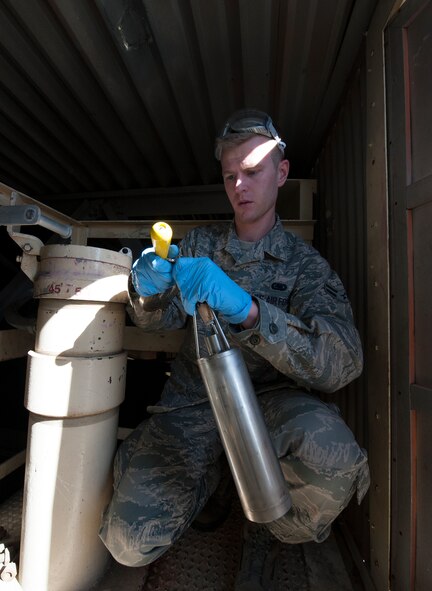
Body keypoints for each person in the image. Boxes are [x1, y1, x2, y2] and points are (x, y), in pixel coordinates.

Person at [99, 109, 370, 590]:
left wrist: (249, 310)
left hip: (267, 411)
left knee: (333, 457)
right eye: (230, 175)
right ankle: (208, 482)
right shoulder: (201, 244)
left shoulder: (305, 266)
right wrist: (146, 289)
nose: (239, 186)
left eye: (252, 172)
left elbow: (342, 363)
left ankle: (264, 526)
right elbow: (157, 319)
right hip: (194, 404)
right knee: (128, 541)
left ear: (280, 173)